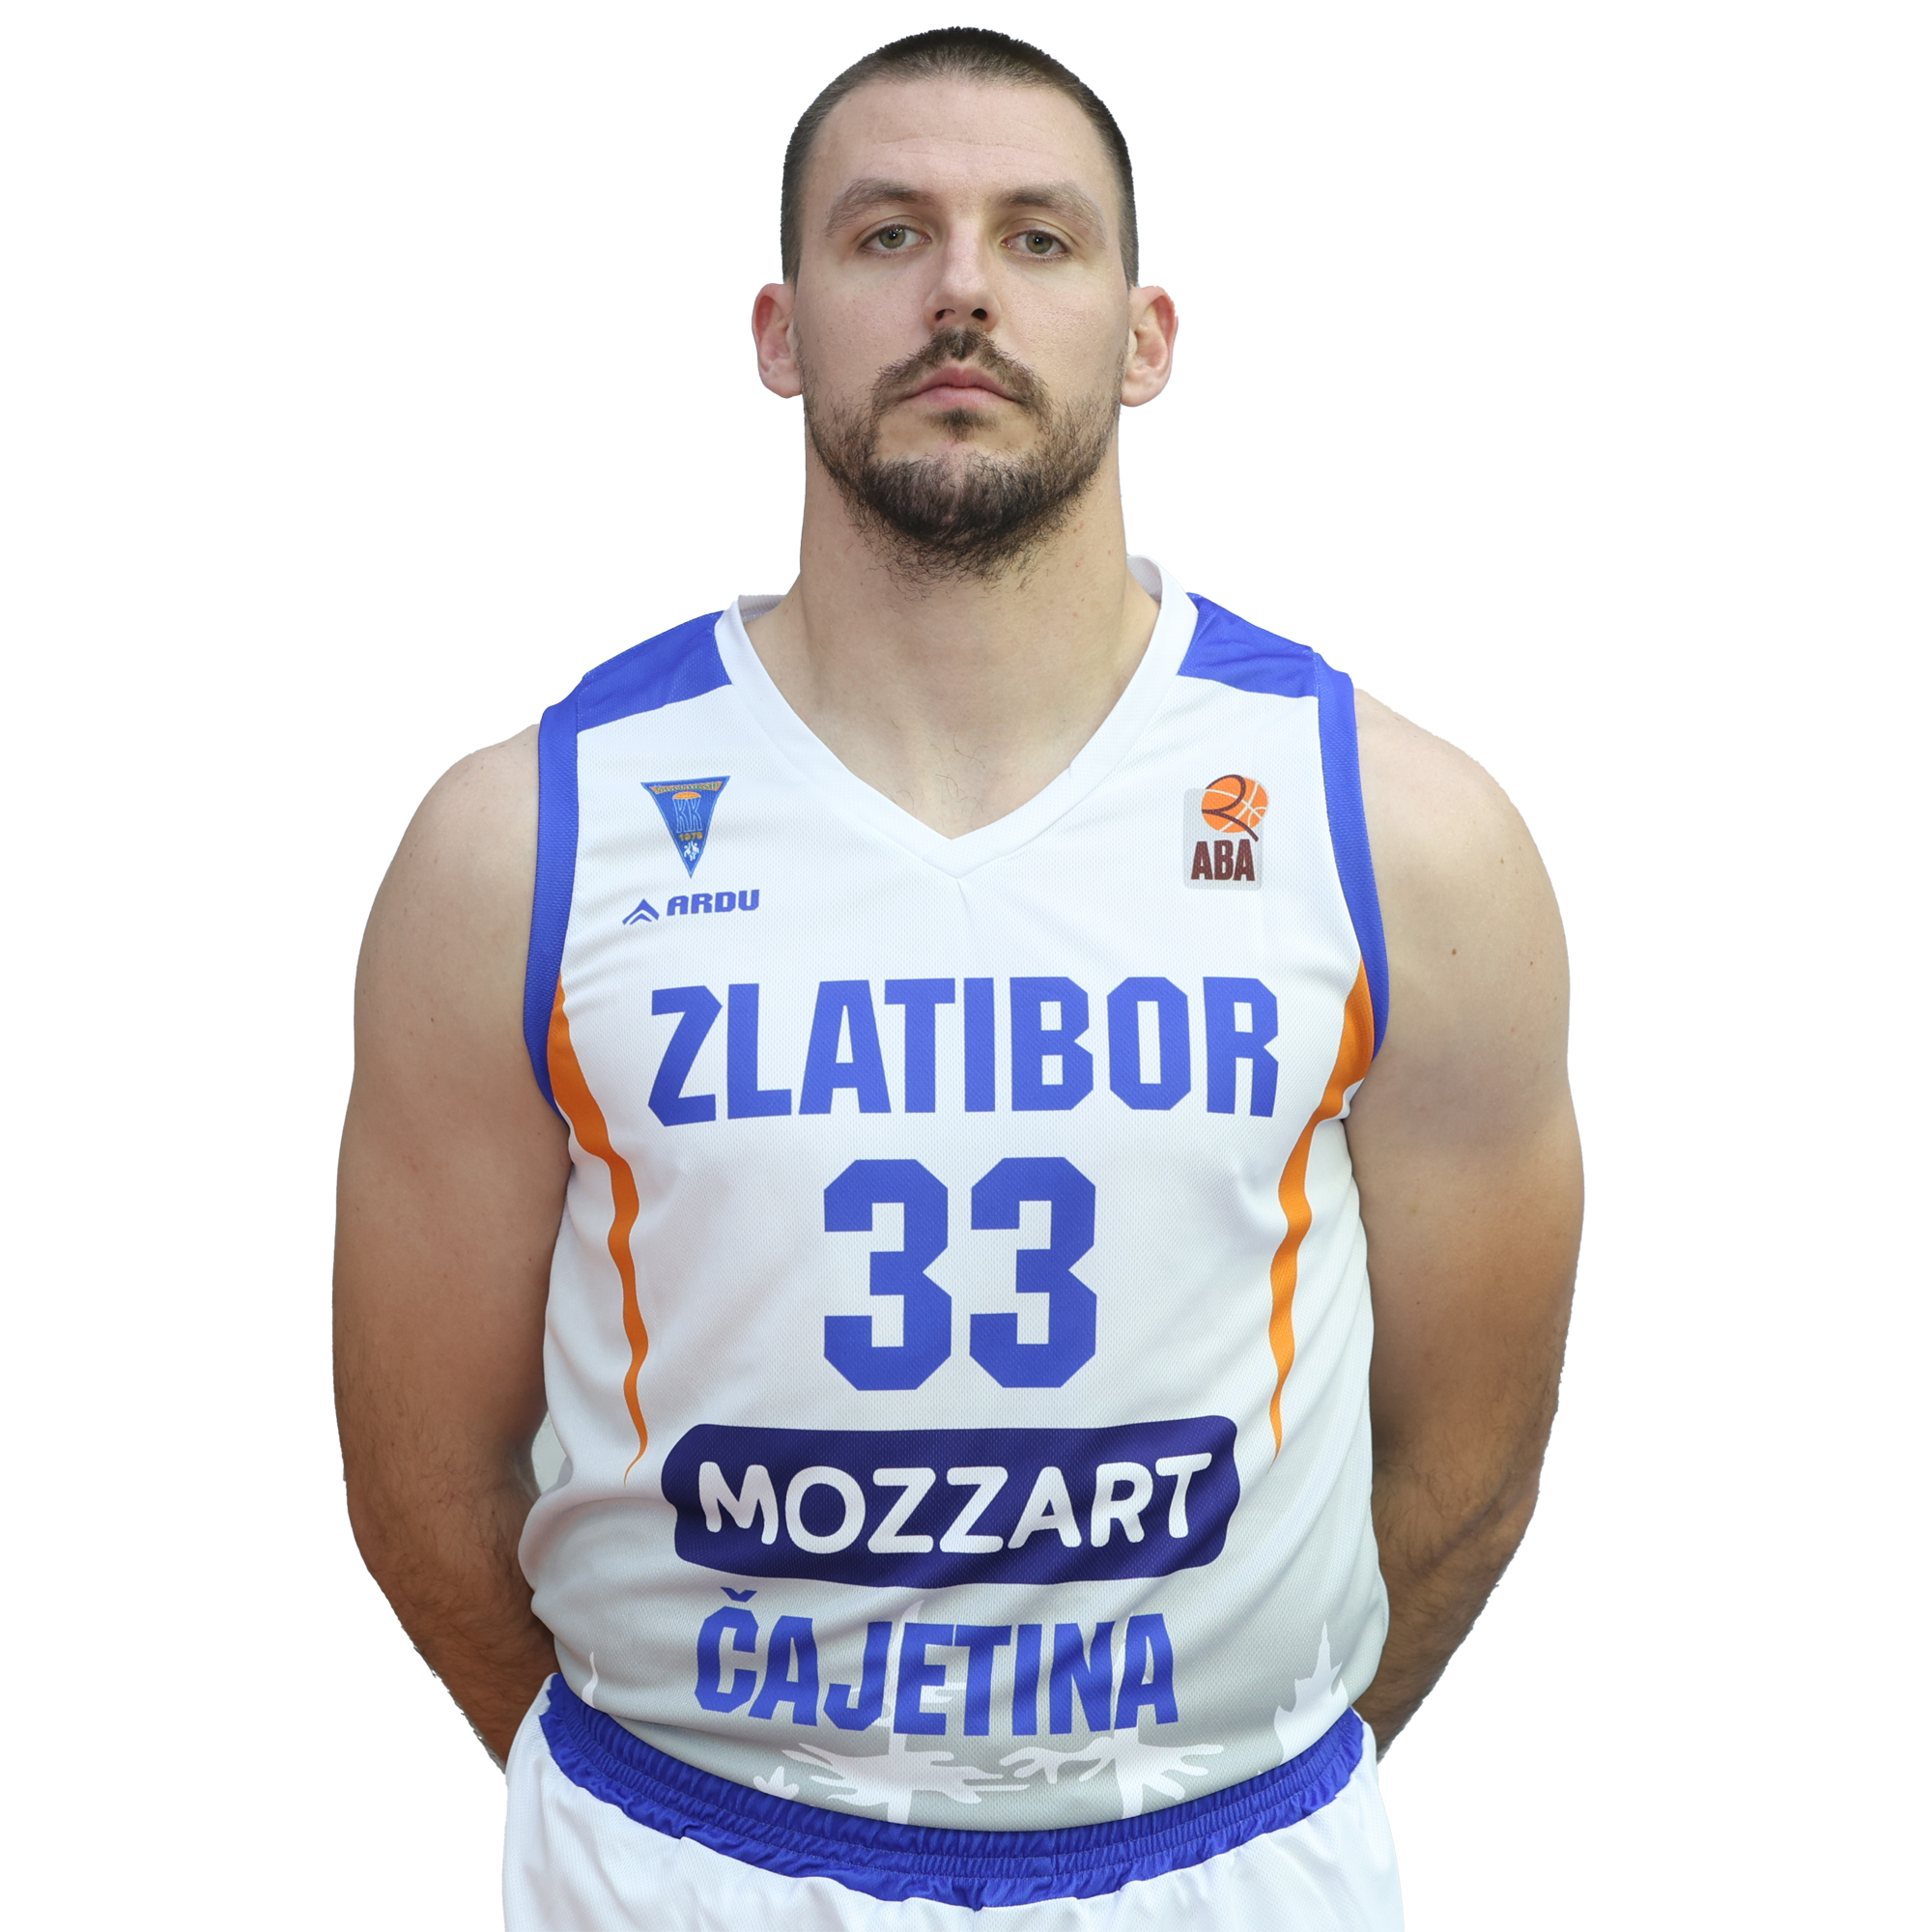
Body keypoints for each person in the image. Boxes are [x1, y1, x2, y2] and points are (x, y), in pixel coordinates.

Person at [335, 27, 1581, 1931]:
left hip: (1219, 1862)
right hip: (682, 1866)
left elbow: (1468, 1464)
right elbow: (422, 1471)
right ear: (782, 331)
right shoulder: (524, 845)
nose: (962, 293)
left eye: (1038, 239)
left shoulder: (1398, 836)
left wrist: (1220, 1777)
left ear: (1144, 338)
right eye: (888, 234)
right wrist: (678, 1833)